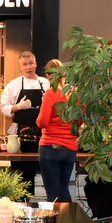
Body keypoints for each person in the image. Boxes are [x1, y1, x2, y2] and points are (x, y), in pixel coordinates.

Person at [0, 51, 50, 189]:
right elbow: (3, 108)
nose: (28, 67)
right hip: (22, 135)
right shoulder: (13, 85)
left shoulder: (45, 83)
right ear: (20, 66)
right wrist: (18, 106)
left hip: (43, 133)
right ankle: (23, 199)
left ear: (36, 64)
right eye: (24, 64)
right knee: (23, 173)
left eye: (31, 63)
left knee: (44, 169)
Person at [38, 60, 79, 202]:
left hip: (50, 146)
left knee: (53, 194)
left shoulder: (51, 93)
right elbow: (79, 121)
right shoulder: (74, 94)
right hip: (70, 148)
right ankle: (67, 216)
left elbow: (42, 122)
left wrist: (37, 120)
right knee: (64, 190)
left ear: (48, 76)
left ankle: (55, 217)